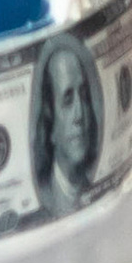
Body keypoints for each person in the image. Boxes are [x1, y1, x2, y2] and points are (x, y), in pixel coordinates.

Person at [30, 32, 103, 215]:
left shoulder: (93, 185)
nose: (80, 115)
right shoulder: (47, 194)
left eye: (84, 96)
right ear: (50, 122)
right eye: (68, 100)